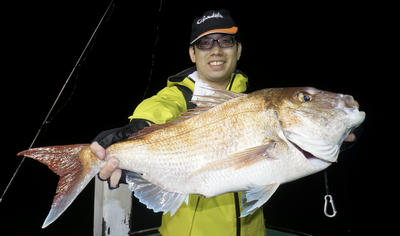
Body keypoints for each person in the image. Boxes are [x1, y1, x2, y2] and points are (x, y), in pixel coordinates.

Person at [90, 9, 358, 236]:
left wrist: (332, 138)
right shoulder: (178, 96)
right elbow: (157, 111)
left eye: (225, 41)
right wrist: (126, 139)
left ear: (238, 50)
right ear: (193, 54)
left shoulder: (252, 101)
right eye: (205, 43)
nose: (215, 50)